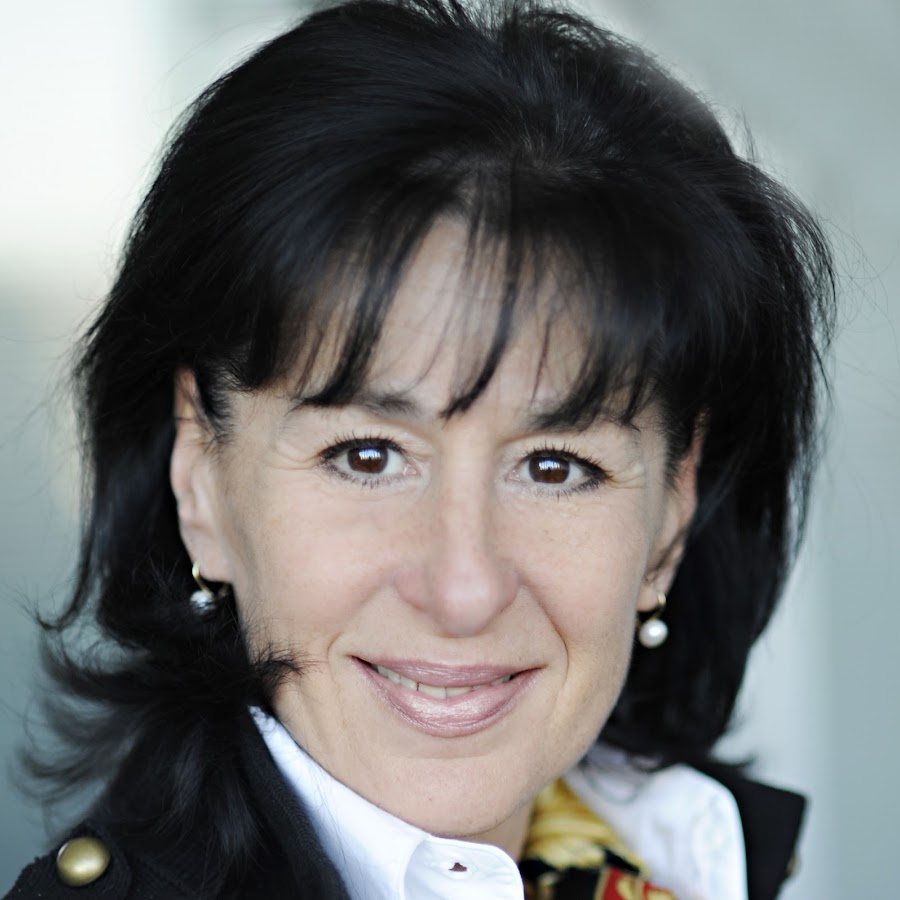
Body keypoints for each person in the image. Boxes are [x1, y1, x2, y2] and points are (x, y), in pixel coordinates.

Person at [4, 0, 835, 897]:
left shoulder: (691, 866)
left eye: (555, 467)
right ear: (201, 477)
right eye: (368, 456)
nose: (462, 589)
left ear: (671, 514)